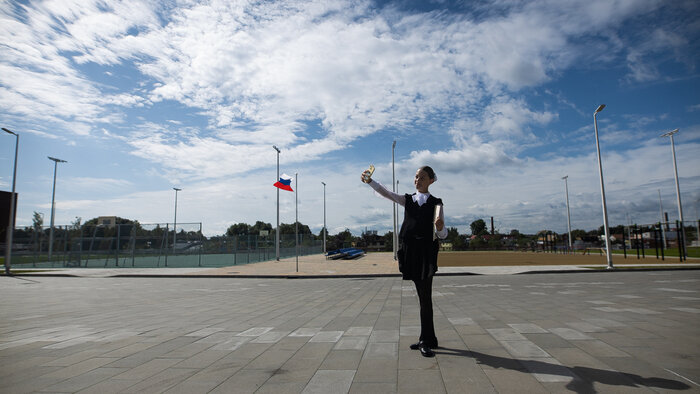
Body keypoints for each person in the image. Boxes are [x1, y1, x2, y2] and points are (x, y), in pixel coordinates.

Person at [361, 165, 446, 357]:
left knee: (425, 297)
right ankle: (430, 338)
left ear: (431, 180)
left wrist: (440, 227)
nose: (418, 180)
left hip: (426, 253)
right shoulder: (408, 199)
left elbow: (442, 233)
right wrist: (370, 181)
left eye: (423, 177)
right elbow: (387, 193)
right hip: (411, 252)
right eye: (416, 177)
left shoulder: (437, 203)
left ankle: (426, 340)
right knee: (423, 297)